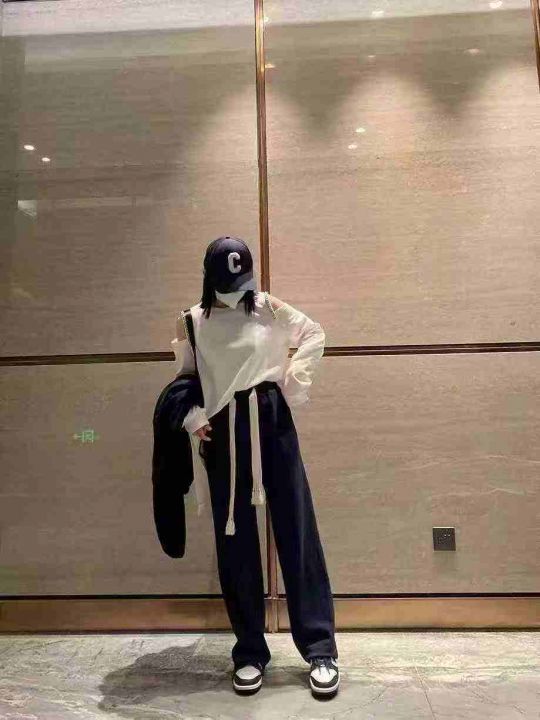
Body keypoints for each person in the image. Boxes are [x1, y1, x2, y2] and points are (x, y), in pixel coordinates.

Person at [171, 235, 339, 697]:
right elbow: (185, 378)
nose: (237, 289)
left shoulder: (268, 307)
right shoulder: (192, 320)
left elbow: (313, 334)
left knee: (297, 531)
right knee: (235, 542)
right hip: (224, 431)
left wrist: (291, 386)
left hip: (271, 421)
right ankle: (248, 651)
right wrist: (193, 418)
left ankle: (320, 648)